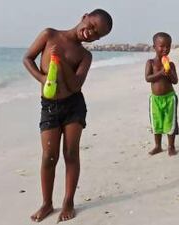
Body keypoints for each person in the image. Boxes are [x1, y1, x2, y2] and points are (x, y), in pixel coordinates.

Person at [22, 9, 112, 223]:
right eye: (91, 26)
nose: (89, 33)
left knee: (71, 154)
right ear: (84, 16)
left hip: (73, 106)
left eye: (96, 34)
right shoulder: (49, 35)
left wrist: (61, 62)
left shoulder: (84, 56)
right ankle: (46, 203)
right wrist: (42, 78)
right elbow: (27, 58)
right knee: (48, 156)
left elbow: (75, 86)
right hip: (50, 105)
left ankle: (68, 201)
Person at [145, 32, 179, 156]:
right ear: (154, 47)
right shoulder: (151, 63)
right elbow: (148, 78)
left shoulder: (170, 65)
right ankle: (158, 146)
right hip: (155, 99)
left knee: (170, 122)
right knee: (157, 122)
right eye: (162, 46)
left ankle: (171, 146)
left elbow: (175, 81)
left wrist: (169, 72)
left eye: (168, 46)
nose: (165, 49)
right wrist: (160, 73)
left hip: (170, 98)